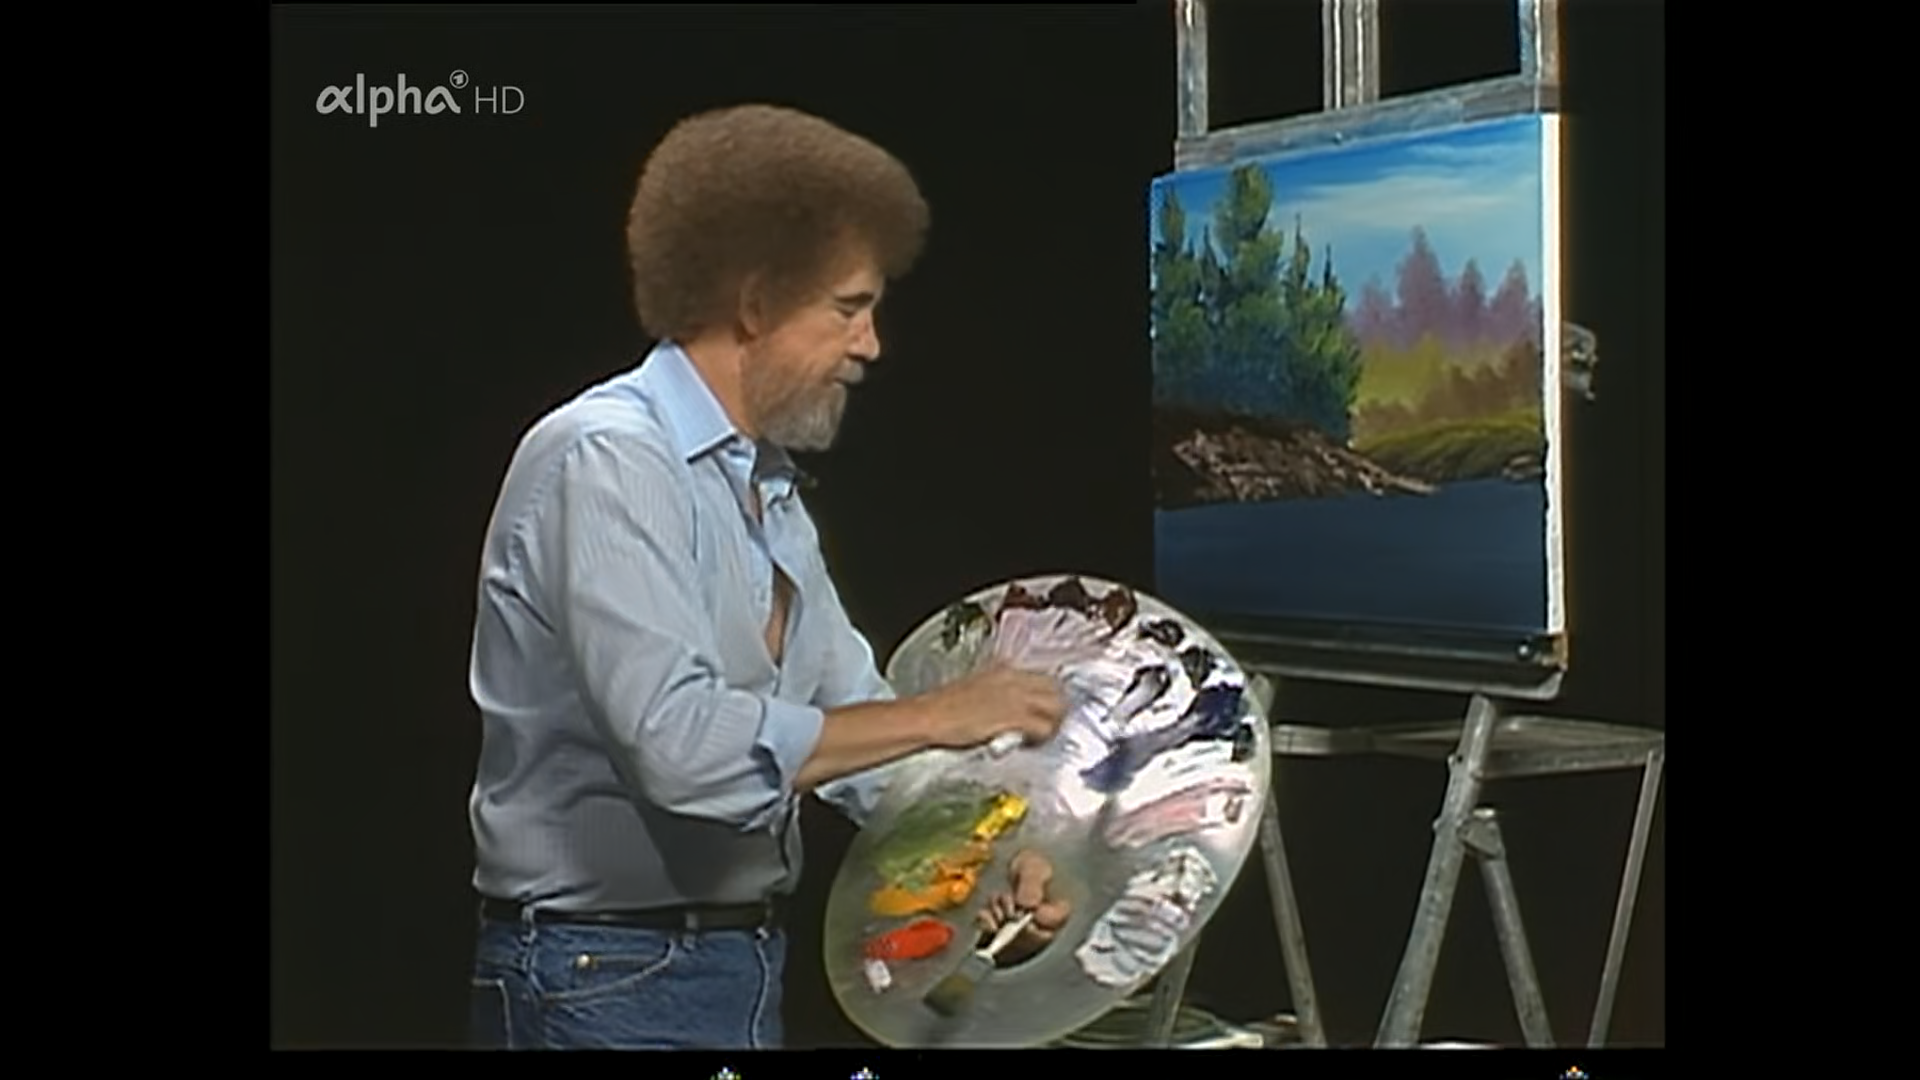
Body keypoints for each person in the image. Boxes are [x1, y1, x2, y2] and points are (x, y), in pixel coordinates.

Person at [463, 103, 1073, 1051]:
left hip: (727, 970)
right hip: (600, 980)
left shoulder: (764, 492)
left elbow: (861, 732)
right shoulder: (608, 458)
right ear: (754, 302)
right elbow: (680, 747)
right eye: (848, 308)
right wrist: (938, 713)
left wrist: (1001, 860)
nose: (871, 344)